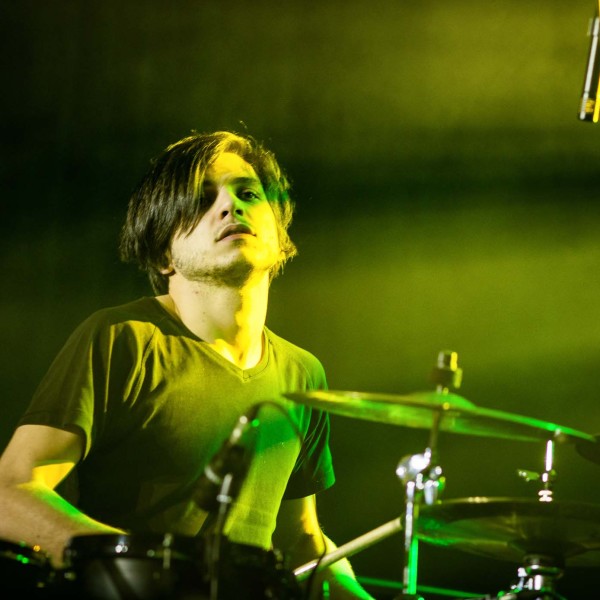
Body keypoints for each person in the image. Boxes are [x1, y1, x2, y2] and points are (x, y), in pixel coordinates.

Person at [0, 131, 374, 599]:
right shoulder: (123, 338)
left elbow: (299, 541)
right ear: (163, 254)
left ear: (280, 236)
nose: (230, 206)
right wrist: (146, 570)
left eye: (248, 193)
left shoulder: (303, 373)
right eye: (202, 199)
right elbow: (11, 491)